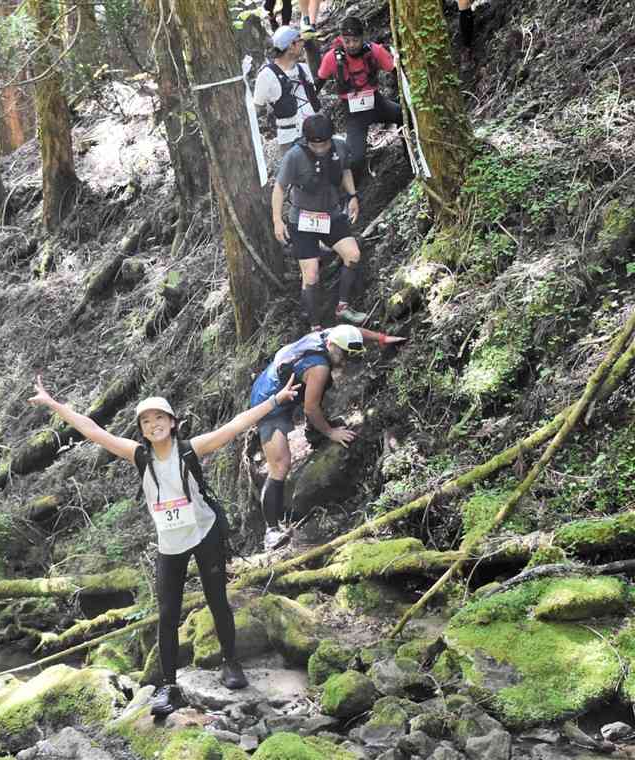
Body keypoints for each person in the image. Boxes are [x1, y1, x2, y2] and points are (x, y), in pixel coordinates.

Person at [27, 374, 299, 717]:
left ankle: (231, 663)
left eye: (159, 418)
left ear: (172, 423)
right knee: (168, 615)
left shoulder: (190, 449)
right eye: (146, 421)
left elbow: (234, 425)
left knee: (217, 600)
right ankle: (169, 687)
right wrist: (54, 404)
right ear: (142, 430)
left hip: (205, 533)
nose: (153, 424)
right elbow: (93, 430)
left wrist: (276, 400)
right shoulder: (139, 456)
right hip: (170, 544)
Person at [250, 324, 405, 551]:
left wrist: (383, 338)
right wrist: (331, 432)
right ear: (332, 345)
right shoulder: (319, 366)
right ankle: (271, 531)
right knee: (280, 466)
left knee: (324, 380)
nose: (345, 361)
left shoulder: (330, 336)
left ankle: (314, 432)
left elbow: (354, 332)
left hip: (287, 384)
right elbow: (311, 408)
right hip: (268, 400)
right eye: (342, 354)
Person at [272, 112, 366, 330]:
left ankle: (342, 306)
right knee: (311, 273)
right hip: (302, 220)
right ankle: (315, 326)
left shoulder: (340, 147)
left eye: (324, 144)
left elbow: (345, 170)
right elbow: (279, 188)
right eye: (316, 145)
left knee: (353, 255)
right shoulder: (294, 156)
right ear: (307, 140)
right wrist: (278, 220)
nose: (321, 149)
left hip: (331, 215)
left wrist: (352, 196)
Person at [317, 16, 402, 183]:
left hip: (377, 103)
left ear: (362, 37)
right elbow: (319, 82)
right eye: (347, 41)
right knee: (355, 159)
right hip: (353, 112)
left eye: (355, 40)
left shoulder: (375, 51)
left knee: (406, 117)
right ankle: (353, 192)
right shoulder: (332, 58)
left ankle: (410, 156)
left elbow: (395, 71)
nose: (351, 45)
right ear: (341, 39)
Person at [253, 26, 320, 155]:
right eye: (299, 40)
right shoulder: (266, 75)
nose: (302, 43)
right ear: (291, 46)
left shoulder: (303, 68)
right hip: (289, 139)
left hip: (315, 132)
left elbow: (313, 99)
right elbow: (257, 107)